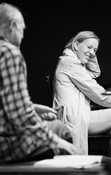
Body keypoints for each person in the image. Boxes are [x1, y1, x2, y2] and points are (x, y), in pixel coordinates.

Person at [0, 2, 81, 163]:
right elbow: (20, 116)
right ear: (13, 26)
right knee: (61, 130)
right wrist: (55, 141)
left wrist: (33, 108)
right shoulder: (9, 52)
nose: (23, 35)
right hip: (6, 144)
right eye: (22, 29)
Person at [52, 31, 111, 155]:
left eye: (95, 50)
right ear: (76, 45)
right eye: (89, 47)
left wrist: (90, 52)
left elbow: (94, 73)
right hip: (73, 119)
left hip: (82, 116)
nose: (92, 53)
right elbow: (100, 96)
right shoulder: (70, 63)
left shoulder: (74, 63)